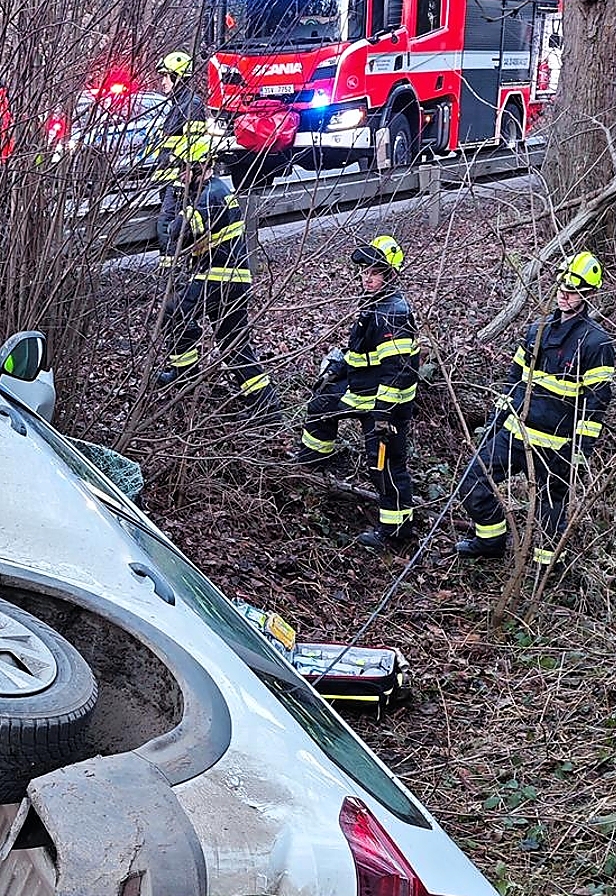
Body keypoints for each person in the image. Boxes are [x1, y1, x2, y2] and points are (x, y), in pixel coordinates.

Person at [455, 250, 615, 569]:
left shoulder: (596, 343)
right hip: (516, 432)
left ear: (588, 294)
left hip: (557, 443)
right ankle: (490, 540)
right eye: (562, 289)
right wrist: (497, 420)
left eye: (572, 291)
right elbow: (514, 379)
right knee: (473, 480)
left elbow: (595, 401)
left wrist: (580, 450)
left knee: (550, 506)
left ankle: (546, 568)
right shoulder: (536, 331)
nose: (564, 296)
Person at [296, 236, 421, 549]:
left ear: (390, 275)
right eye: (363, 271)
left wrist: (382, 415)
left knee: (385, 466)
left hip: (384, 406)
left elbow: (399, 371)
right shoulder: (373, 303)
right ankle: (315, 462)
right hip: (359, 390)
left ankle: (396, 533)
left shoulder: (393, 312)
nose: (366, 277)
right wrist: (336, 370)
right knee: (323, 404)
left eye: (374, 272)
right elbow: (359, 352)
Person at [157, 160, 280, 422]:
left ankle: (184, 373)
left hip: (219, 277)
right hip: (230, 279)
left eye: (186, 169)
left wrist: (180, 211)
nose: (181, 174)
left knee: (175, 312)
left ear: (205, 168)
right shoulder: (212, 191)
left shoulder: (212, 195)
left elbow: (179, 231)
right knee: (233, 344)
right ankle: (265, 402)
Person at [151, 51, 211, 264]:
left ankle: (171, 274)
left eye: (166, 76)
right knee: (171, 225)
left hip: (179, 180)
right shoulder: (178, 105)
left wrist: (182, 178)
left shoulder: (191, 105)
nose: (162, 82)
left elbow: (194, 146)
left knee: (168, 226)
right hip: (170, 179)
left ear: (178, 77)